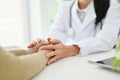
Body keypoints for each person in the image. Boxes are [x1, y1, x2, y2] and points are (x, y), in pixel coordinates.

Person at [29, 0, 120, 65]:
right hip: (73, 62)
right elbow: (54, 35)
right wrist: (45, 45)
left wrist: (71, 49)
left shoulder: (112, 5)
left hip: (99, 63)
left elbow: (107, 40)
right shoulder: (65, 7)